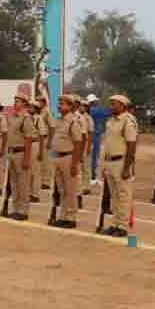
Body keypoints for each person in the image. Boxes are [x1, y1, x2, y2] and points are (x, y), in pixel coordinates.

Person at [99, 94, 138, 236]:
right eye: (110, 104)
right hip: (110, 161)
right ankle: (115, 223)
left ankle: (122, 226)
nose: (111, 107)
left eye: (114, 104)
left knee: (123, 195)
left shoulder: (128, 121)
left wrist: (127, 168)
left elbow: (131, 145)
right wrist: (103, 165)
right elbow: (107, 144)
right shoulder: (110, 121)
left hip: (121, 162)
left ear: (122, 106)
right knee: (114, 196)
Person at [49, 95, 86, 228]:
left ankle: (71, 218)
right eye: (59, 103)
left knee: (71, 190)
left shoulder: (73, 122)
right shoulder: (59, 120)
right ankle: (63, 216)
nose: (60, 106)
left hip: (68, 158)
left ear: (70, 107)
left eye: (63, 104)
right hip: (58, 157)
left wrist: (75, 164)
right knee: (62, 190)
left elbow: (78, 143)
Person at [86, 94, 111, 193]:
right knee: (93, 157)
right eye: (96, 101)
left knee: (92, 156)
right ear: (93, 102)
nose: (98, 102)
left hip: (94, 134)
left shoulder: (91, 110)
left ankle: (93, 176)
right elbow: (108, 112)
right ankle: (92, 177)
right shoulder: (95, 110)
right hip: (94, 135)